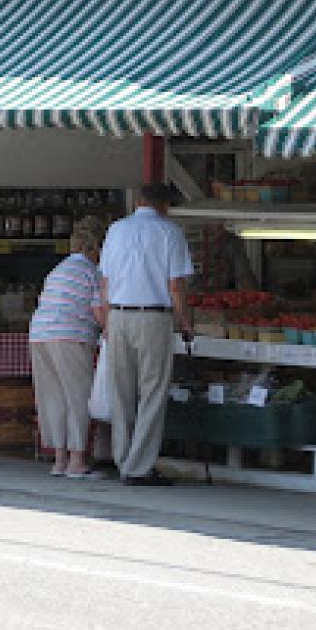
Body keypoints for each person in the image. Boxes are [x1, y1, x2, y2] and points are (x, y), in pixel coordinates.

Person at [99, 182, 193, 485]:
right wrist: (186, 321)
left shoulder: (116, 230)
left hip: (119, 314)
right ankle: (139, 466)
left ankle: (123, 457)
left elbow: (105, 282)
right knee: (152, 392)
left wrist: (106, 322)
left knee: (121, 390)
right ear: (165, 206)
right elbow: (175, 285)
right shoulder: (170, 232)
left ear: (139, 200)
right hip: (153, 317)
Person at [28, 217, 107, 479]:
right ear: (96, 248)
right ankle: (76, 461)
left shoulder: (58, 269)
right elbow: (99, 313)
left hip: (39, 334)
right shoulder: (92, 273)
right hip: (70, 335)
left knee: (52, 397)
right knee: (77, 397)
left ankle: (58, 459)